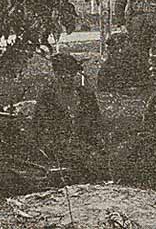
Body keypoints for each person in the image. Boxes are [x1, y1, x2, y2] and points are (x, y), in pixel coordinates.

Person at [32, 53, 103, 182]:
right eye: (60, 73)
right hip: (58, 152)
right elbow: (38, 129)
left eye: (69, 73)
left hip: (86, 149)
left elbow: (97, 125)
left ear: (75, 74)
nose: (65, 77)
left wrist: (93, 144)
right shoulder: (47, 98)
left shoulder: (86, 96)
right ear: (55, 74)